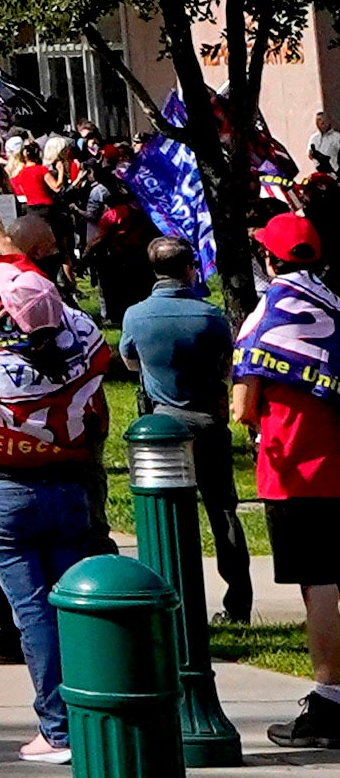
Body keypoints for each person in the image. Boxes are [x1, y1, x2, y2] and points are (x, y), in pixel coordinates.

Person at [0, 256, 113, 759]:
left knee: (33, 611)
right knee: (72, 604)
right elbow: (98, 363)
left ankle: (56, 729)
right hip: (67, 483)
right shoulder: (81, 345)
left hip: (1, 489)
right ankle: (91, 713)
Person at [228, 212, 340, 749]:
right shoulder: (338, 307)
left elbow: (243, 406)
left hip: (296, 473)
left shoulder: (263, 318)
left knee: (320, 586)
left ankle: (328, 702)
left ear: (269, 259)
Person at [120, 236, 254, 627]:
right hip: (208, 420)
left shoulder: (135, 316)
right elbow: (227, 366)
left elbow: (130, 362)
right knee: (223, 512)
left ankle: (173, 597)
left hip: (161, 424)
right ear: (189, 268)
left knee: (166, 513)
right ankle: (239, 603)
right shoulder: (211, 316)